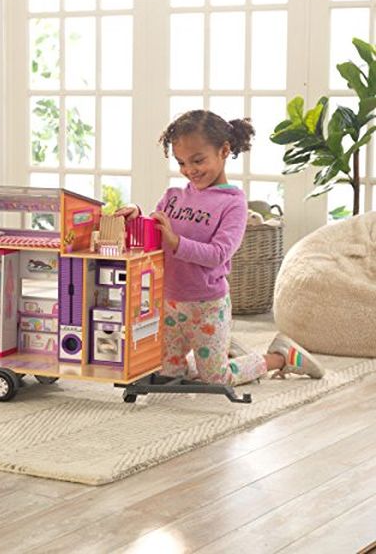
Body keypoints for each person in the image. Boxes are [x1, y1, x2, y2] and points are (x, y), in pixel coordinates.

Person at [115, 110, 324, 386]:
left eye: (198, 160)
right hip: (168, 301)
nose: (190, 170)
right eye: (181, 162)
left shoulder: (233, 203)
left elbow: (218, 254)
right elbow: (155, 232)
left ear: (224, 151)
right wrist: (136, 214)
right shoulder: (173, 197)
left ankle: (280, 356)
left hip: (207, 305)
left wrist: (176, 242)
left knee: (216, 378)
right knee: (167, 374)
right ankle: (220, 351)